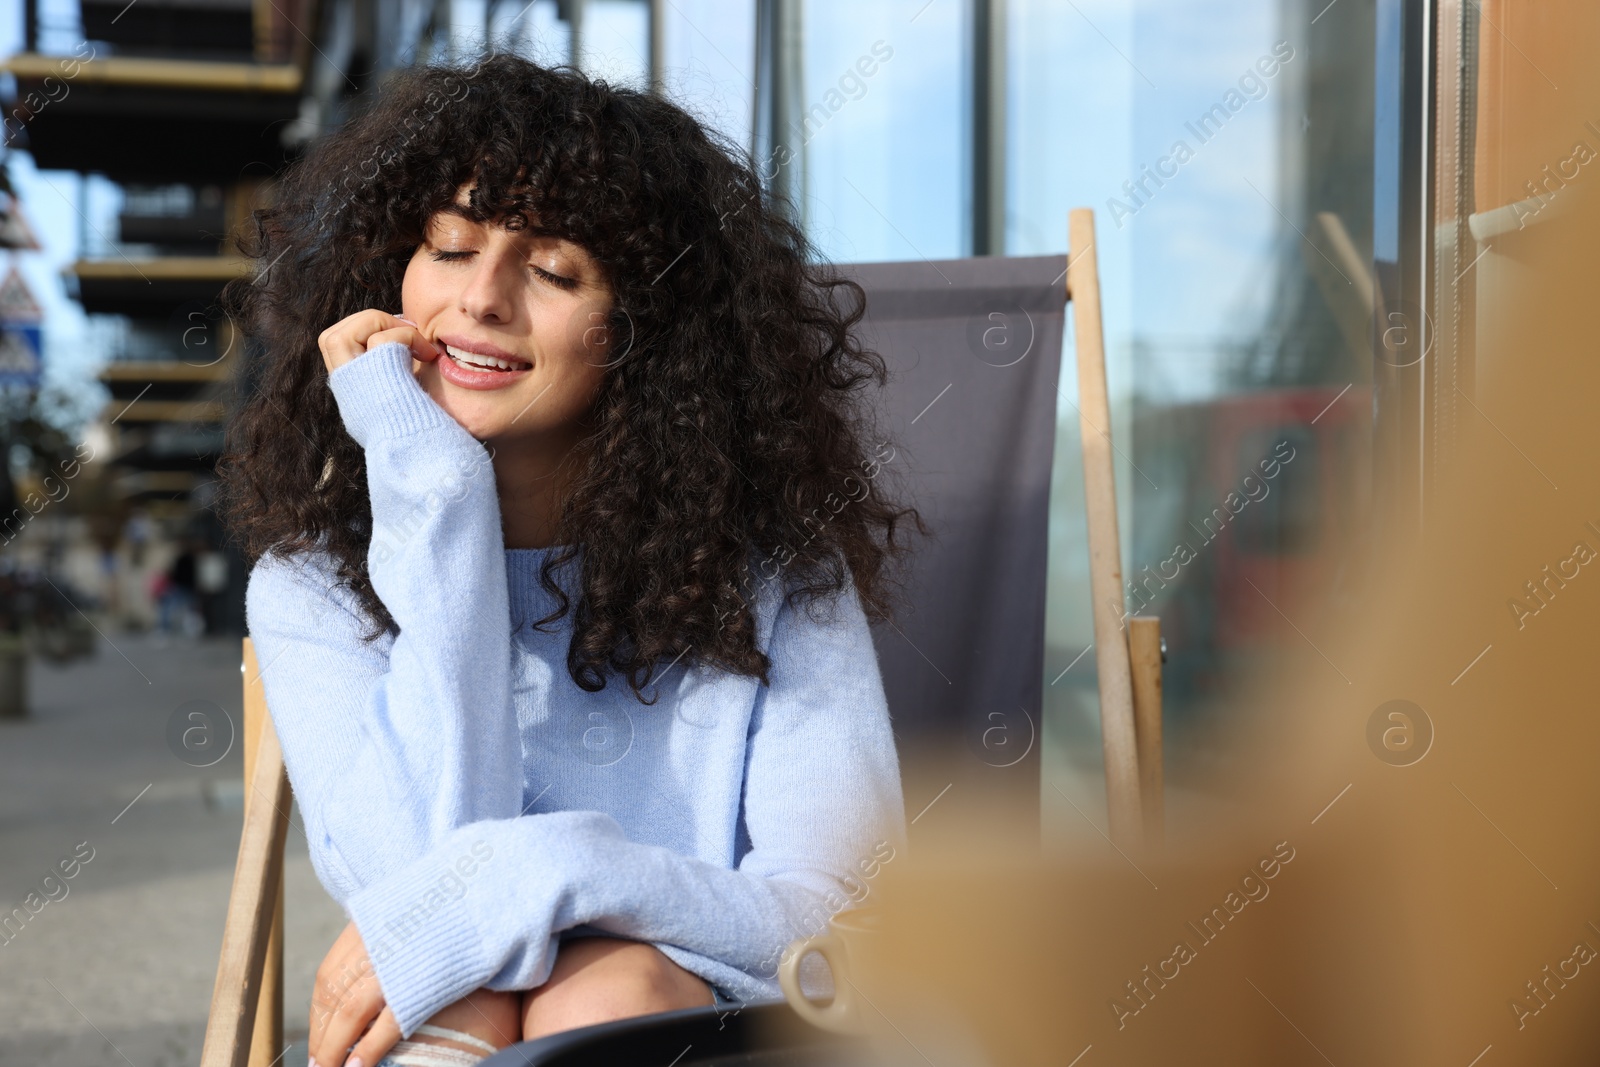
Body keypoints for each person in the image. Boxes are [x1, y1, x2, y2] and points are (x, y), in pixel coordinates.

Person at [220, 54, 923, 1067]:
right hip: (463, 1027)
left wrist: (556, 869)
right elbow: (428, 904)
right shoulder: (312, 591)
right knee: (460, 999)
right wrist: (439, 494)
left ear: (646, 334)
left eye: (552, 271)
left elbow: (844, 927)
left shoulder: (775, 577)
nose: (483, 299)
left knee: (609, 985)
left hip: (722, 1034)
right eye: (452, 247)